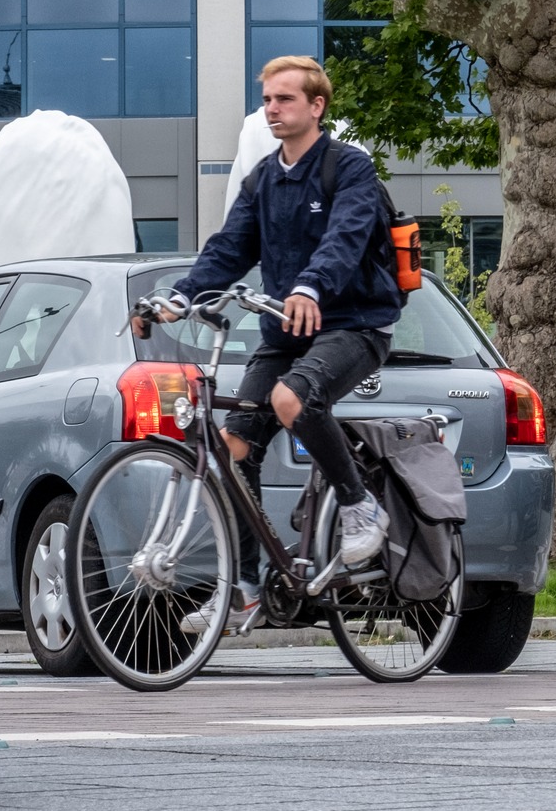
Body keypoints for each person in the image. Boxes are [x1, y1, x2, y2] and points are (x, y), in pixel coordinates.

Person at [136, 56, 403, 625]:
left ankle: (360, 509)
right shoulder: (263, 179)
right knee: (233, 450)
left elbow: (346, 238)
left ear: (316, 106)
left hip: (353, 323)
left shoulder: (348, 169)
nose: (273, 109)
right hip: (284, 328)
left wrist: (311, 286)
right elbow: (229, 249)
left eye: (284, 99)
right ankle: (247, 586)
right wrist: (178, 297)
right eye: (268, 100)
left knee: (293, 399)